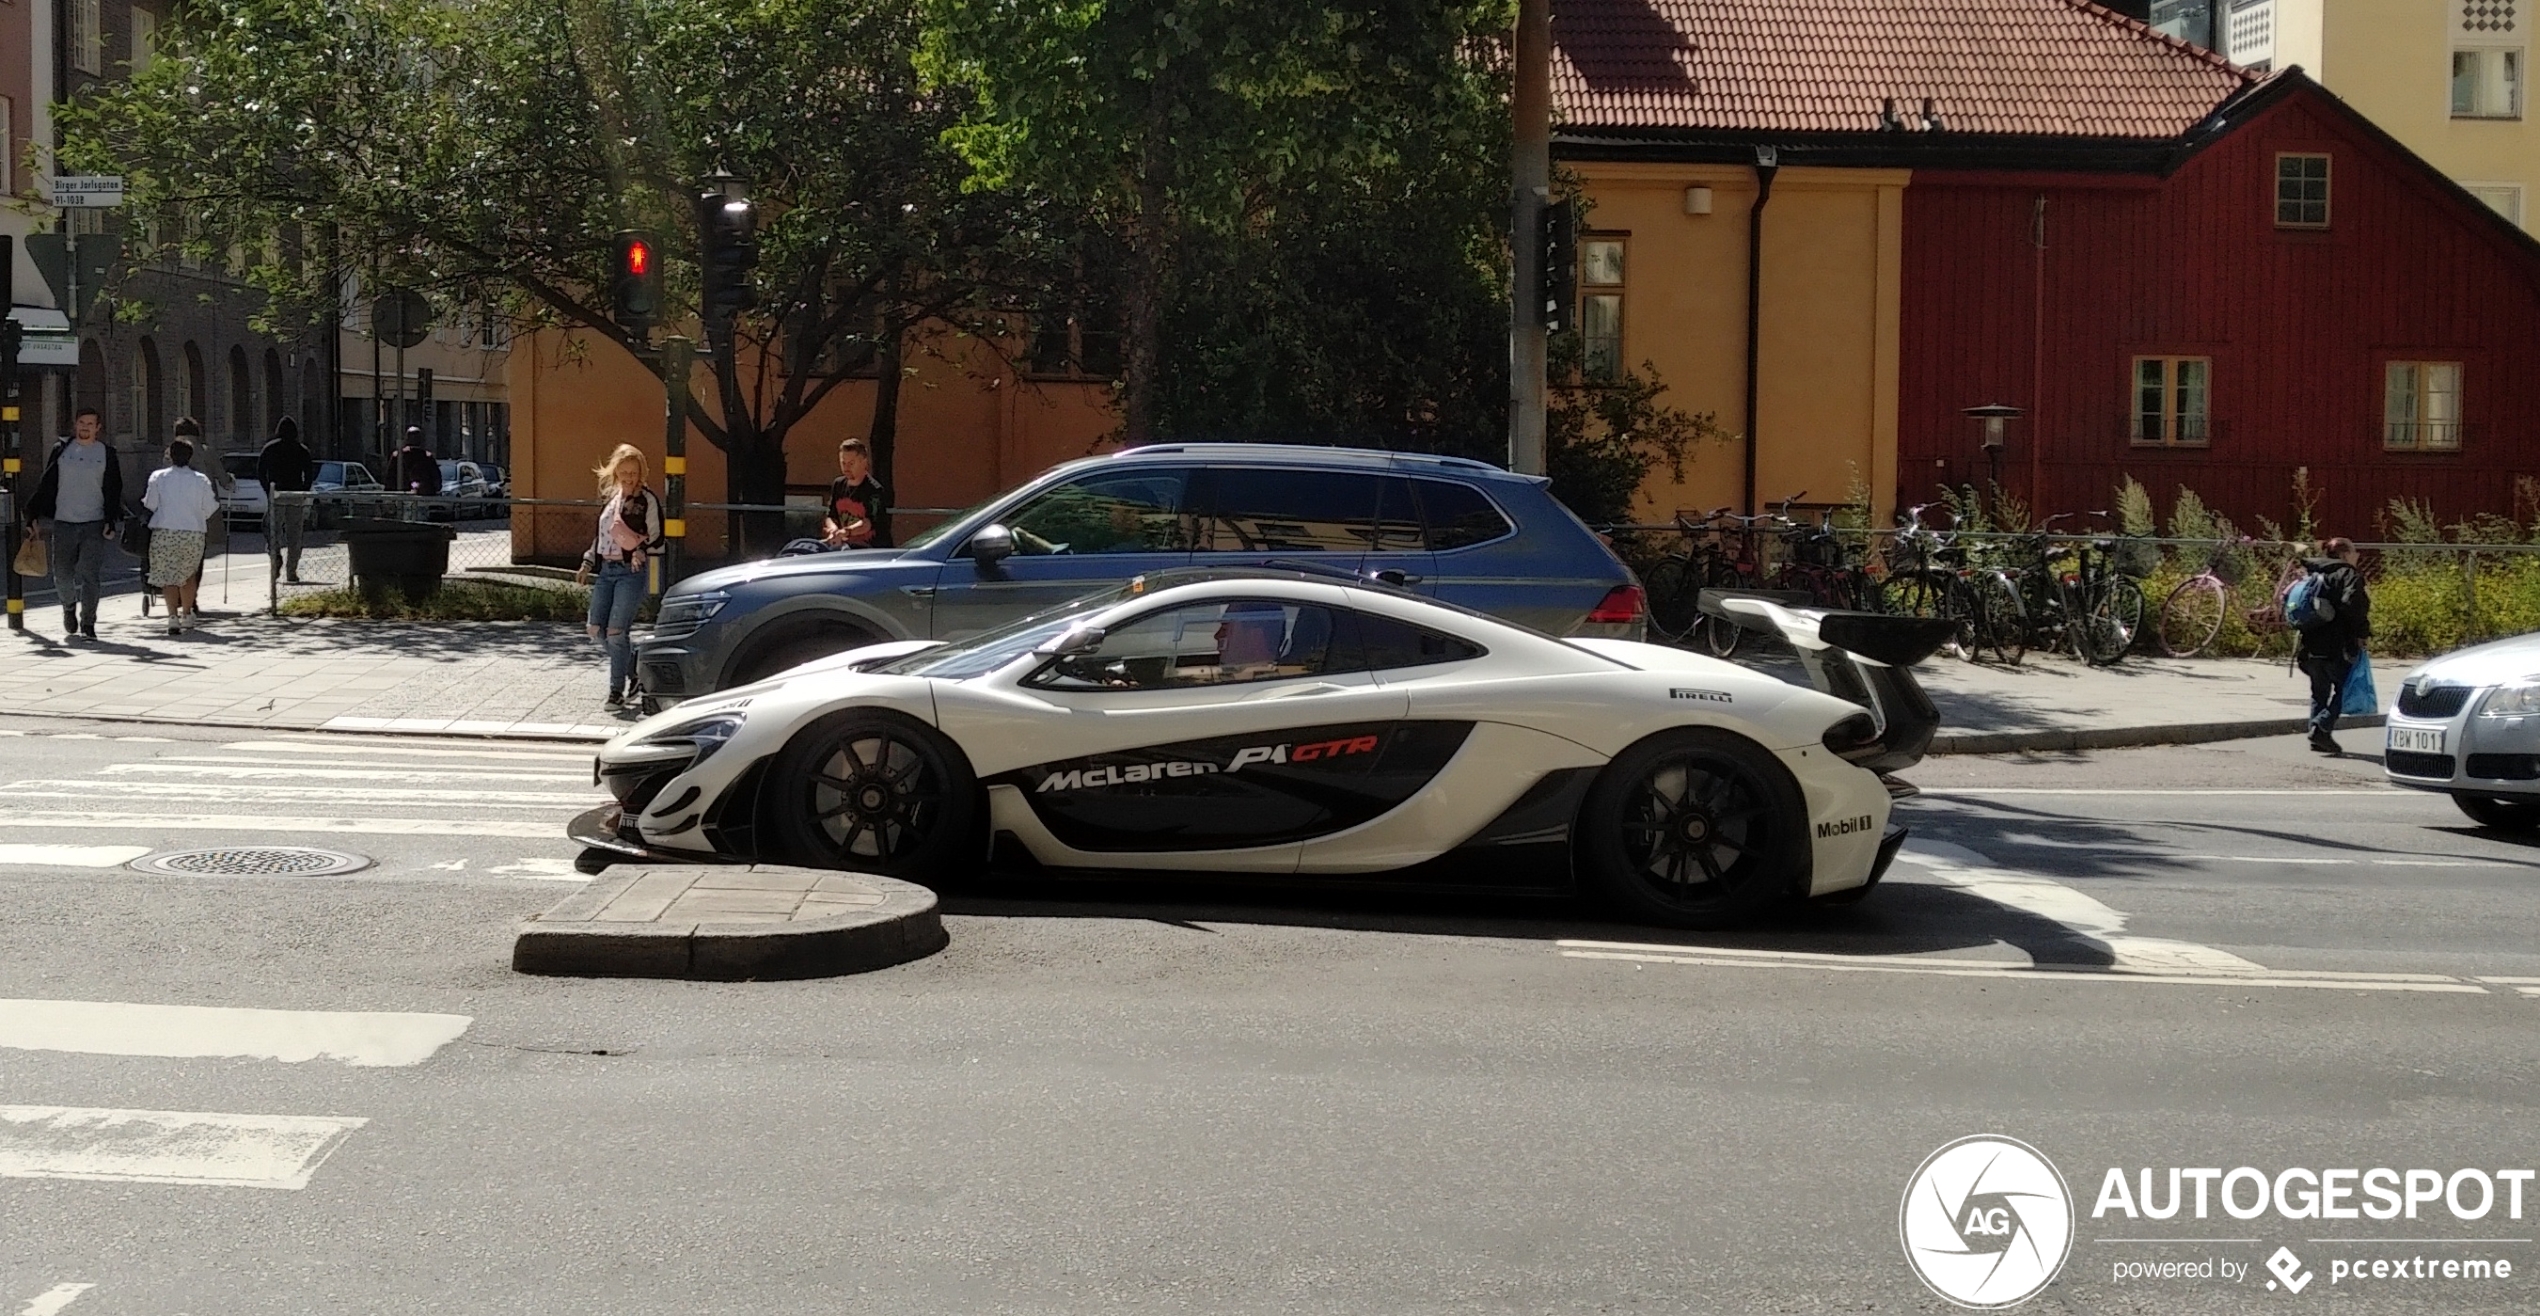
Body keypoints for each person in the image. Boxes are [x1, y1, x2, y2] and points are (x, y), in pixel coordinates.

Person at [577, 443, 667, 709]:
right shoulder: (611, 498)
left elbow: (658, 535)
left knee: (616, 633)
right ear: (615, 472)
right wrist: (587, 561)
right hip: (606, 571)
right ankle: (636, 667)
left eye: (634, 473)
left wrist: (641, 549)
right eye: (624, 472)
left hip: (631, 572)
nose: (629, 477)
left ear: (641, 473)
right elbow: (602, 535)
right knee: (596, 628)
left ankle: (616, 692)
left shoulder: (647, 500)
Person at [23, 407, 123, 641]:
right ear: (75, 425)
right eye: (81, 422)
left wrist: (110, 519)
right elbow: (46, 483)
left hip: (94, 522)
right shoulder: (62, 450)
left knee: (90, 575)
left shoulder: (106, 453)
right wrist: (33, 515)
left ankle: (88, 622)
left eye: (90, 423)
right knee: (62, 574)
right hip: (64, 521)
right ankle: (69, 608)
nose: (85, 427)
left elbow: (114, 488)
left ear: (98, 428)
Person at [2296, 536, 2372, 753]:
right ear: (2344, 554)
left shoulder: (2312, 572)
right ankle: (2321, 727)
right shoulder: (2348, 574)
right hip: (2336, 644)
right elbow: (2354, 604)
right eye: (2354, 552)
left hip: (2310, 644)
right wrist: (2361, 632)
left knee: (2319, 692)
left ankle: (2318, 737)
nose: (2356, 557)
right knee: (2344, 689)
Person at [142, 438, 222, 636]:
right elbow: (210, 507)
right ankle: (187, 613)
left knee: (169, 576)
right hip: (192, 532)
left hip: (165, 531)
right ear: (190, 457)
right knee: (188, 575)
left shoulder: (158, 477)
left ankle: (172, 617)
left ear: (169, 455)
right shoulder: (200, 480)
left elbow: (150, 504)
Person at [258, 416, 315, 582]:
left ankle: (275, 556)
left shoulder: (270, 448)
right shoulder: (302, 450)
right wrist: (303, 491)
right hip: (295, 496)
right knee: (295, 535)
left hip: (277, 495)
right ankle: (292, 571)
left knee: (271, 530)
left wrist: (268, 488)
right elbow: (309, 474)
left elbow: (261, 471)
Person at [822, 438, 891, 549]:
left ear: (864, 462)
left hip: (872, 550)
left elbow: (868, 523)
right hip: (845, 546)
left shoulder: (874, 490)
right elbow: (831, 515)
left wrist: (846, 532)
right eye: (843, 463)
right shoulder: (838, 484)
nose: (846, 468)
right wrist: (833, 530)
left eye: (851, 463)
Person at [389, 428, 442, 498]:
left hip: (401, 497)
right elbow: (437, 481)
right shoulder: (427, 456)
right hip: (423, 497)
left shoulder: (397, 455)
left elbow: (389, 479)